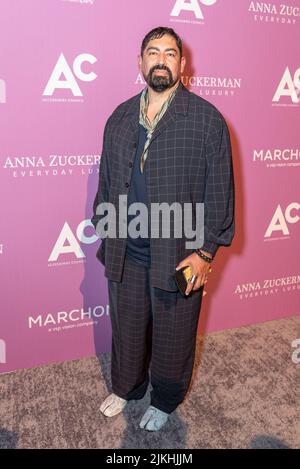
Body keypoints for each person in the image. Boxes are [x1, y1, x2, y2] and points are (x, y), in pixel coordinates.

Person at [91, 26, 235, 432]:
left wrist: (206, 251)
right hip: (126, 249)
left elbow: (220, 191)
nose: (160, 59)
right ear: (140, 62)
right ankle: (127, 388)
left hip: (179, 252)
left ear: (182, 64)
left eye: (169, 53)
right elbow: (106, 184)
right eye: (152, 52)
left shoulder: (206, 119)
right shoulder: (119, 117)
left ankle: (167, 399)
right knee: (129, 328)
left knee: (174, 335)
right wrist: (107, 233)